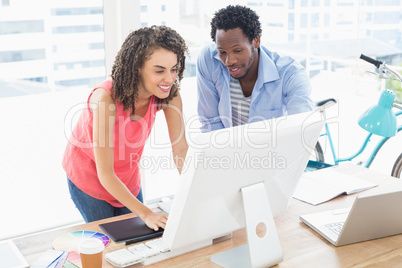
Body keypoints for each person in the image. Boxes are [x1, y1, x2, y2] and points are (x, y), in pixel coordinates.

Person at [62, 25, 188, 231]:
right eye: (159, 70)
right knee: (109, 241)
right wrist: (146, 212)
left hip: (126, 176)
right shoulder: (105, 100)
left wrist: (197, 192)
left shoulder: (169, 95)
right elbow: (105, 173)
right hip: (91, 178)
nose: (169, 79)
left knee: (136, 237)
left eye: (174, 69)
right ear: (138, 67)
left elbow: (181, 150)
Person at [197, 5, 314, 132]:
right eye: (222, 52)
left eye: (237, 50)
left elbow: (300, 130)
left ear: (256, 41)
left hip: (274, 148)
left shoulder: (290, 74)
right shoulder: (209, 60)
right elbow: (210, 121)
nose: (229, 61)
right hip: (226, 147)